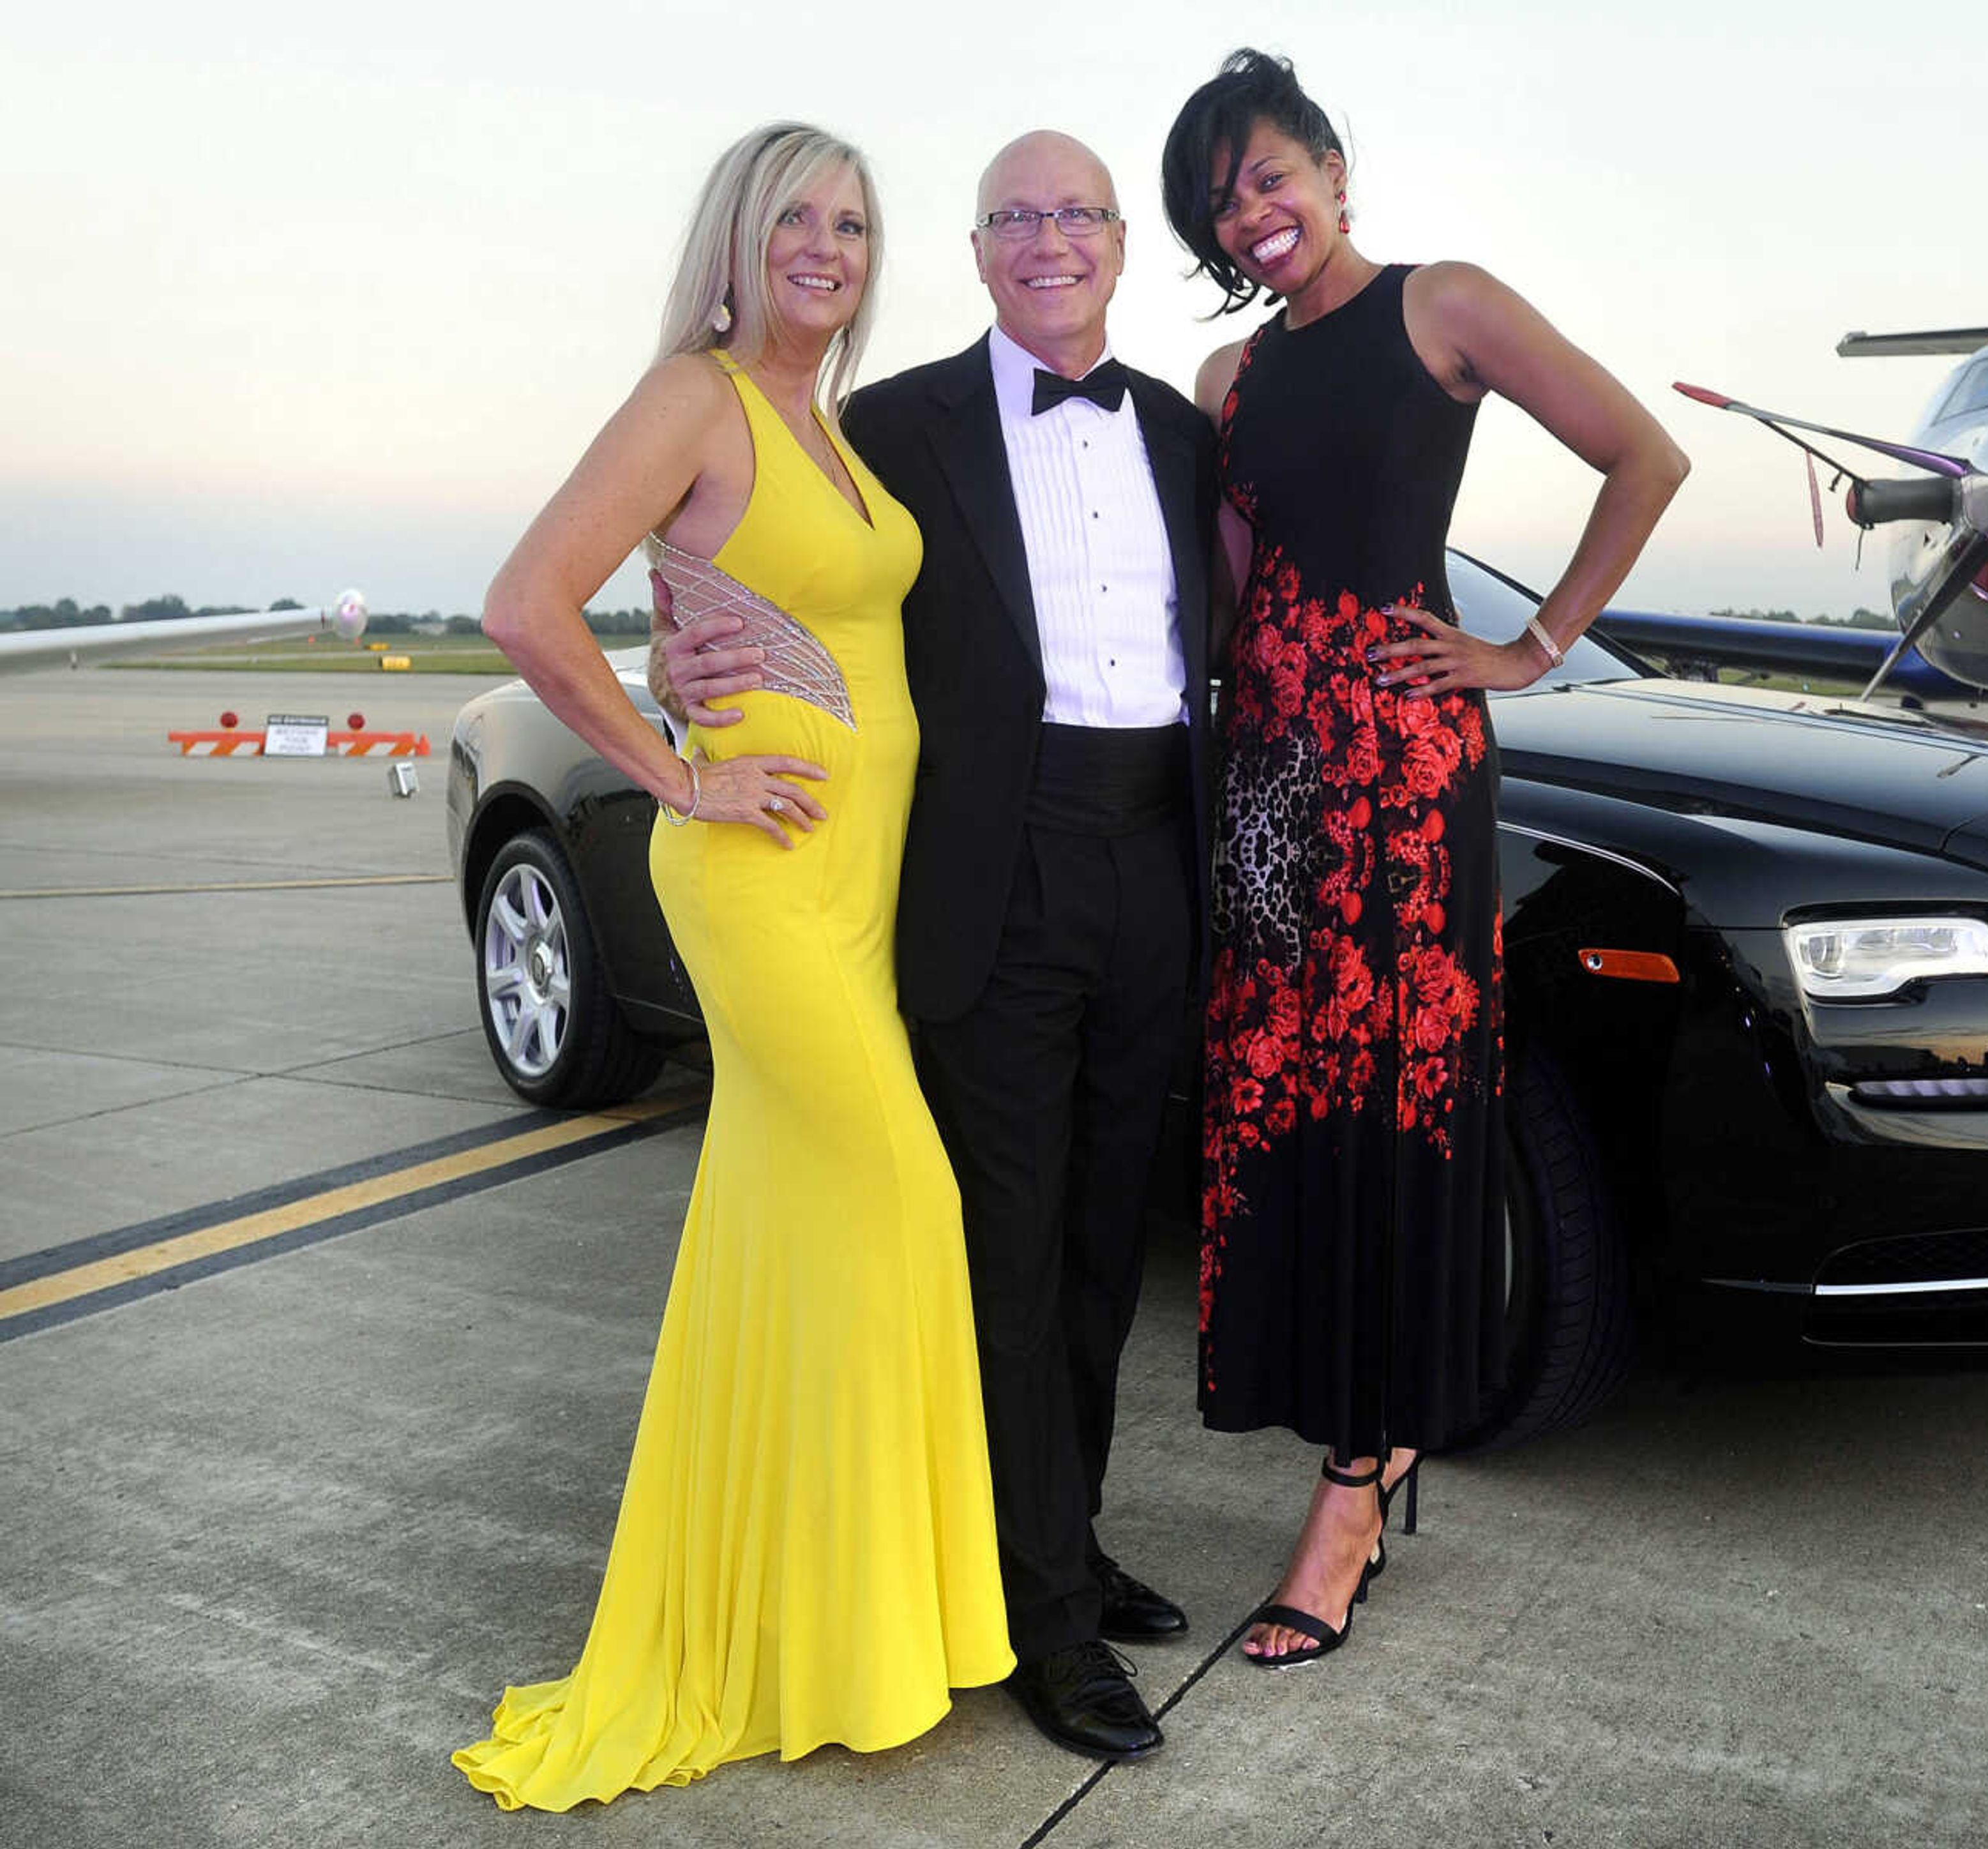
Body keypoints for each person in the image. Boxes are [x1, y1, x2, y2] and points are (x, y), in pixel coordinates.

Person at [451, 122, 1013, 1809]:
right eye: (799, 219)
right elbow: (525, 599)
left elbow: (806, 609)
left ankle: (826, 1634)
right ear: (739, 238)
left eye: (854, 222)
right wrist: (680, 766)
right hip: (759, 879)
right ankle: (832, 1635)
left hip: (858, 885)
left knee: (785, 1240)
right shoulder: (695, 393)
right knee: (900, 1202)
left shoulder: (822, 425)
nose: (830, 247)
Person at [657, 129, 1215, 1763]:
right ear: (975, 254)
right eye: (1017, 219)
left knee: (1107, 1248)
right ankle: (1040, 1618)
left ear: (1120, 246)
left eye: (1081, 217)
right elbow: (726, 556)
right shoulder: (881, 426)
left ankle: (1061, 1539)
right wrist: (681, 679)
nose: (1052, 241)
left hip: (1154, 864)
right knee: (1004, 1249)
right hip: (994, 874)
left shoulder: (1182, 434)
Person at [1159, 50, 1690, 1668]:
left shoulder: (1443, 305)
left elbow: (1644, 455)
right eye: (1219, 202)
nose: (1252, 215)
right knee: (1282, 1097)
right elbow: (1229, 594)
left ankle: (1358, 1492)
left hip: (1403, 765)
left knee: (1394, 1099)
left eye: (1269, 176)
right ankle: (1343, 1430)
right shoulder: (1225, 385)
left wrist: (1534, 643)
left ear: (1331, 165)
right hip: (1268, 776)